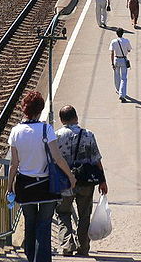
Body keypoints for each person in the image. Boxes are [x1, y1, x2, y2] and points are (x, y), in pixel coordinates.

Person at [8, 92, 76, 262]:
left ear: (24, 109)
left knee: (30, 224)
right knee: (44, 225)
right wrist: (71, 177)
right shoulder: (47, 129)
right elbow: (57, 158)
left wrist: (9, 187)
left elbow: (14, 164)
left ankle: (31, 258)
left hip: (25, 185)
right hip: (46, 185)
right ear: (40, 110)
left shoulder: (15, 131)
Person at [54, 105, 108, 257]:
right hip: (85, 182)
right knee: (84, 214)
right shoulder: (88, 135)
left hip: (64, 182)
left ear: (61, 120)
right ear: (76, 118)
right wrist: (103, 181)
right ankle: (83, 247)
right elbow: (97, 160)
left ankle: (67, 244)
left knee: (63, 212)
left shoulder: (56, 136)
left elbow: (53, 160)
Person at [109, 28, 132, 101]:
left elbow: (112, 53)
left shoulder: (113, 41)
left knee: (116, 76)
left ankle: (118, 90)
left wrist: (112, 63)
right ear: (123, 33)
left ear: (116, 33)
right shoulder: (126, 41)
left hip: (116, 59)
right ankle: (122, 94)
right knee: (124, 78)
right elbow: (129, 50)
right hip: (123, 59)